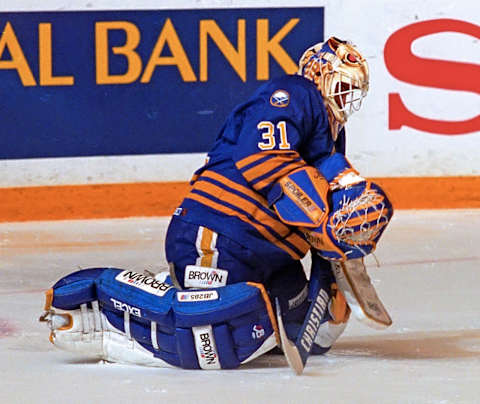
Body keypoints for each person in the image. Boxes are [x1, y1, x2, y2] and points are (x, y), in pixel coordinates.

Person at [40, 37, 393, 371]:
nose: (347, 98)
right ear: (319, 73)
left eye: (353, 92)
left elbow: (332, 203)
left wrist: (339, 249)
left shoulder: (333, 139)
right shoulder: (294, 93)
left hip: (272, 259)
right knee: (213, 335)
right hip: (217, 236)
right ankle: (103, 301)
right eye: (343, 86)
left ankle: (184, 298)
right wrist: (321, 219)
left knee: (313, 334)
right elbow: (264, 156)